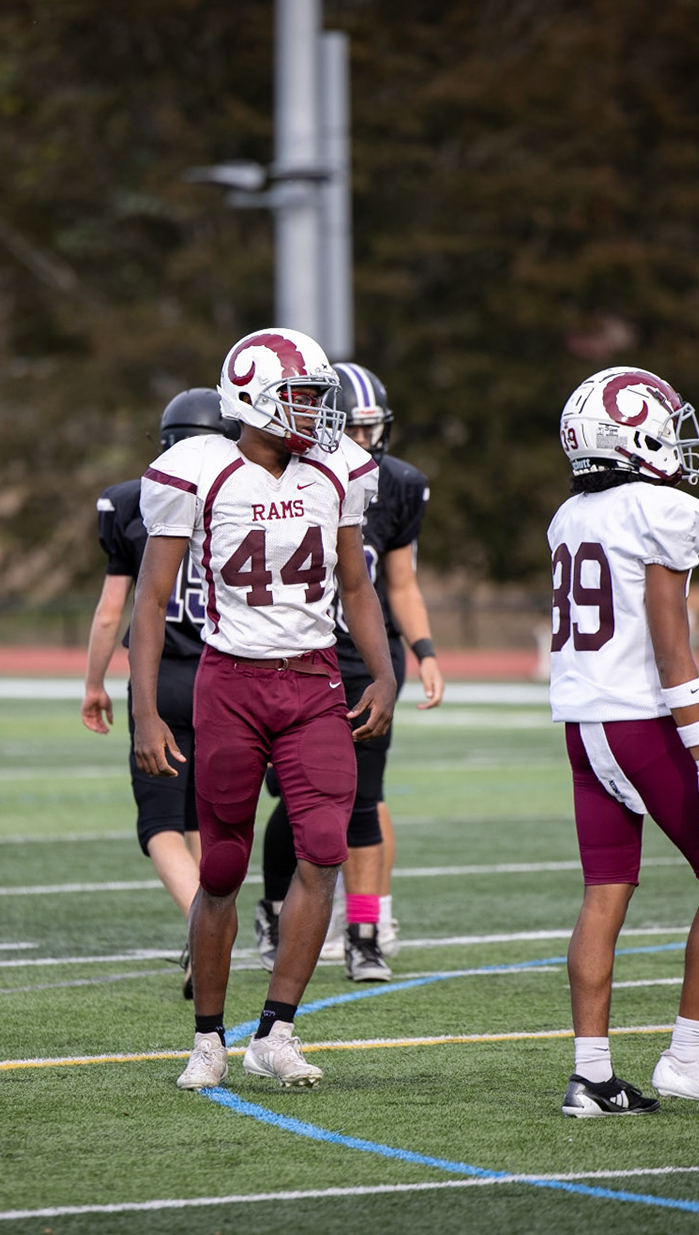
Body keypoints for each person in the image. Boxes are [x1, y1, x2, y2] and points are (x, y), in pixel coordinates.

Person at [131, 327, 397, 1092]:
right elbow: (151, 601)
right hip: (231, 683)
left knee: (323, 849)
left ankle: (276, 1029)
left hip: (313, 681)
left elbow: (355, 584)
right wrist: (146, 711)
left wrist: (381, 674)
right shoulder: (199, 471)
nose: (317, 414)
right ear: (250, 399)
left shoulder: (338, 470)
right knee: (220, 865)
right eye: (302, 398)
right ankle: (208, 1037)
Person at [549, 366, 699, 1116]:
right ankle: (688, 1056)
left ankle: (591, 1075)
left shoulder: (569, 515)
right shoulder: (663, 508)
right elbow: (672, 647)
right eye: (665, 426)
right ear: (631, 435)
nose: (677, 442)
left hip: (584, 724)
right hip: (639, 720)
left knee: (605, 892)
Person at [255, 363, 443, 983]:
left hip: (364, 657)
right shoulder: (287, 476)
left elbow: (400, 582)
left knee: (363, 799)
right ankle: (276, 907)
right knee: (295, 800)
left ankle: (363, 932)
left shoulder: (399, 485)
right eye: (350, 427)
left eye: (369, 428)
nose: (361, 440)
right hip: (294, 652)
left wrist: (425, 651)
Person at [83, 388, 241, 997]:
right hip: (226, 676)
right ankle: (212, 925)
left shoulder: (132, 499)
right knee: (207, 817)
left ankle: (203, 929)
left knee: (159, 823)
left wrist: (94, 682)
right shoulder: (248, 491)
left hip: (162, 676)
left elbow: (110, 611)